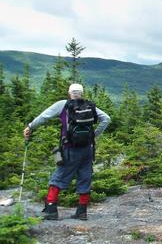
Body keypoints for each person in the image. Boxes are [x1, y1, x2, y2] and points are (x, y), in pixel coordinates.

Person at [23, 83, 111, 220]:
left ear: (69, 93)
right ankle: (82, 212)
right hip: (88, 149)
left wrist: (30, 127)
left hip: (70, 148)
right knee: (85, 177)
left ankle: (51, 210)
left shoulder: (63, 104)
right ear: (82, 93)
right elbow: (106, 119)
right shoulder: (90, 105)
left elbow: (43, 117)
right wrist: (94, 135)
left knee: (59, 176)